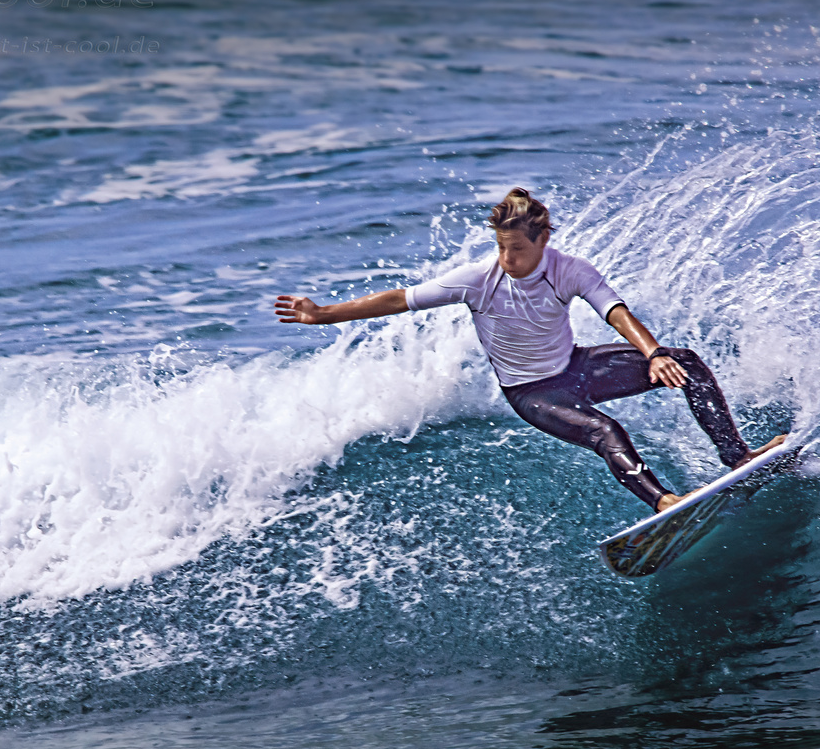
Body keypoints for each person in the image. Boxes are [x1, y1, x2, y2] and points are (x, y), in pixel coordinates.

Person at [274, 187, 785, 513]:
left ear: (542, 241)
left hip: (575, 368)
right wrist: (323, 314)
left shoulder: (569, 268)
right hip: (532, 392)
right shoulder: (477, 280)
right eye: (500, 247)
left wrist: (653, 353)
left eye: (516, 248)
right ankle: (663, 502)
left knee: (687, 362)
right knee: (606, 431)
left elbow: (615, 310)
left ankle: (737, 456)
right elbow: (399, 300)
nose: (507, 258)